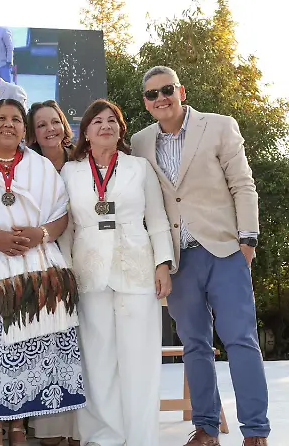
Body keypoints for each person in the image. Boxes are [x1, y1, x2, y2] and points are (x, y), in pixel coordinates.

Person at [131, 66, 269, 446]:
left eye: (167, 90)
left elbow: (243, 184)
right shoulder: (140, 142)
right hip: (179, 260)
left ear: (182, 91)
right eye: (152, 94)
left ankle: (256, 431)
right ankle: (206, 428)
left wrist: (248, 241)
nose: (161, 98)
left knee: (241, 340)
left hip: (226, 251)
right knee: (195, 345)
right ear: (146, 102)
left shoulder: (220, 126)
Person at [0, 98, 85, 446]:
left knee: (32, 351)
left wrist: (41, 234)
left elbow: (62, 213)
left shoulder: (41, 166)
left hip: (37, 273)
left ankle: (19, 425)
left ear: (24, 129)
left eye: (16, 119)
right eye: (0, 118)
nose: (8, 124)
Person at [60, 99, 174, 446]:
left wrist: (163, 264)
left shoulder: (138, 168)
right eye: (97, 121)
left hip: (136, 268)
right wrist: (64, 273)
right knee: (97, 359)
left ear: (121, 128)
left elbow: (156, 219)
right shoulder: (70, 171)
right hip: (88, 273)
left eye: (112, 120)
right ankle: (104, 436)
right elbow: (66, 229)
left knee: (139, 358)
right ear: (86, 132)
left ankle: (141, 437)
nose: (105, 126)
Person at [25, 100, 80, 446]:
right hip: (40, 261)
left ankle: (79, 428)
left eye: (54, 122)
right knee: (49, 344)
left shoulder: (82, 164)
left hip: (81, 257)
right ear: (32, 133)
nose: (49, 130)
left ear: (64, 124)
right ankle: (48, 429)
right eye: (41, 125)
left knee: (81, 345)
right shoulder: (27, 168)